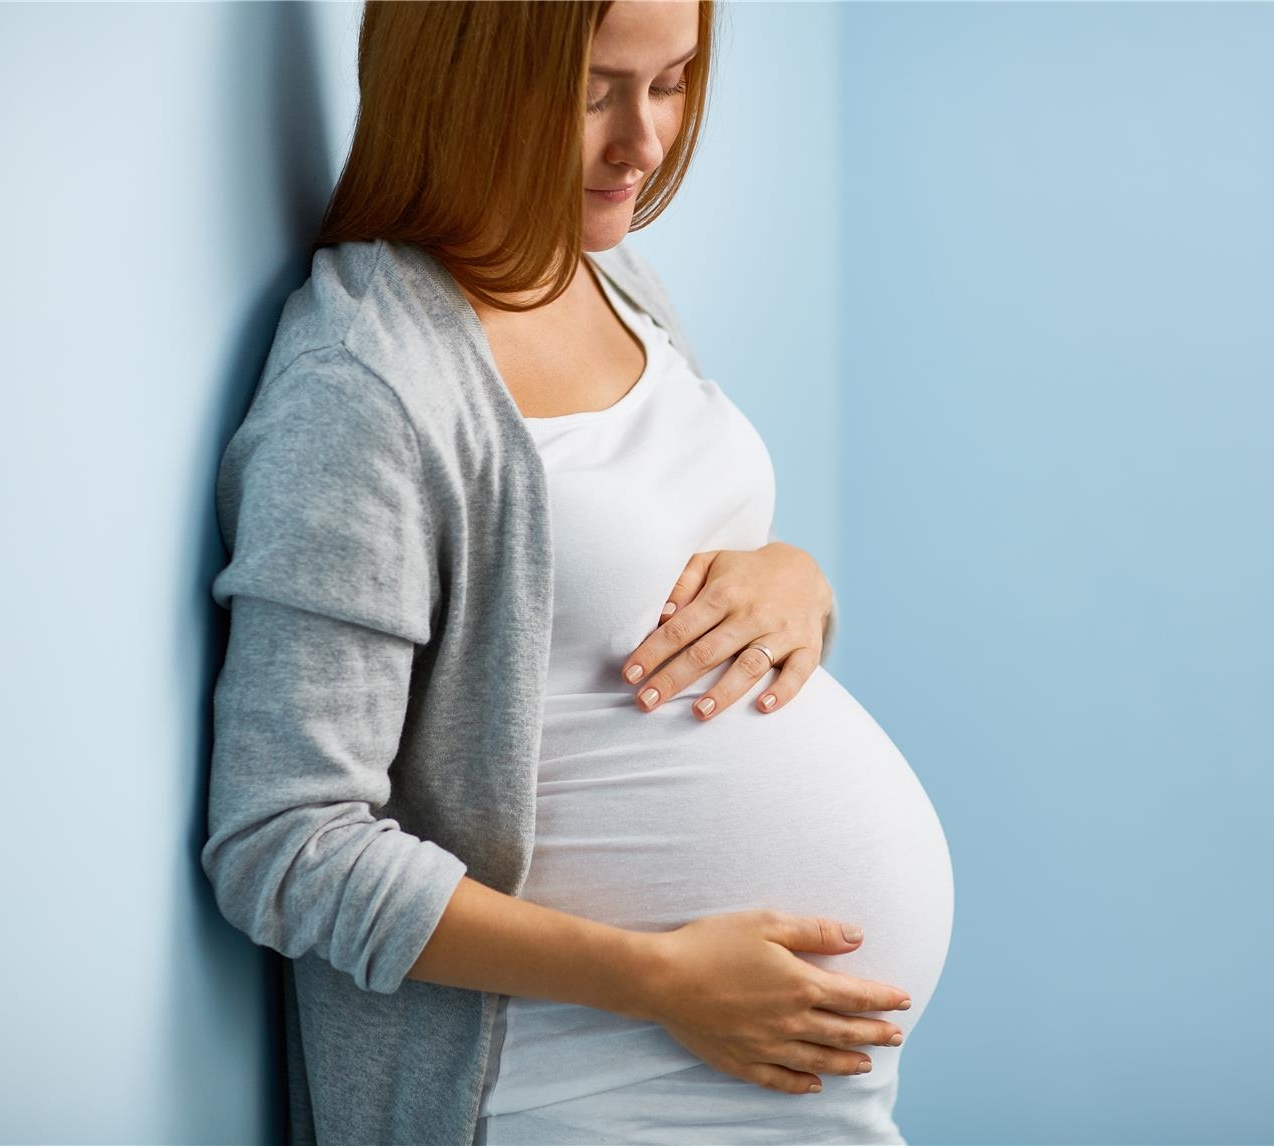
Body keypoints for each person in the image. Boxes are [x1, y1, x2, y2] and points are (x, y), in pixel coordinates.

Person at [201, 2, 954, 1143]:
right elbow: (284, 842)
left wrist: (797, 581)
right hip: (580, 1093)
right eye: (596, 89)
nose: (644, 144)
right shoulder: (366, 385)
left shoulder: (614, 282)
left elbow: (637, 622)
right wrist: (655, 978)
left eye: (673, 82)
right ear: (458, 78)